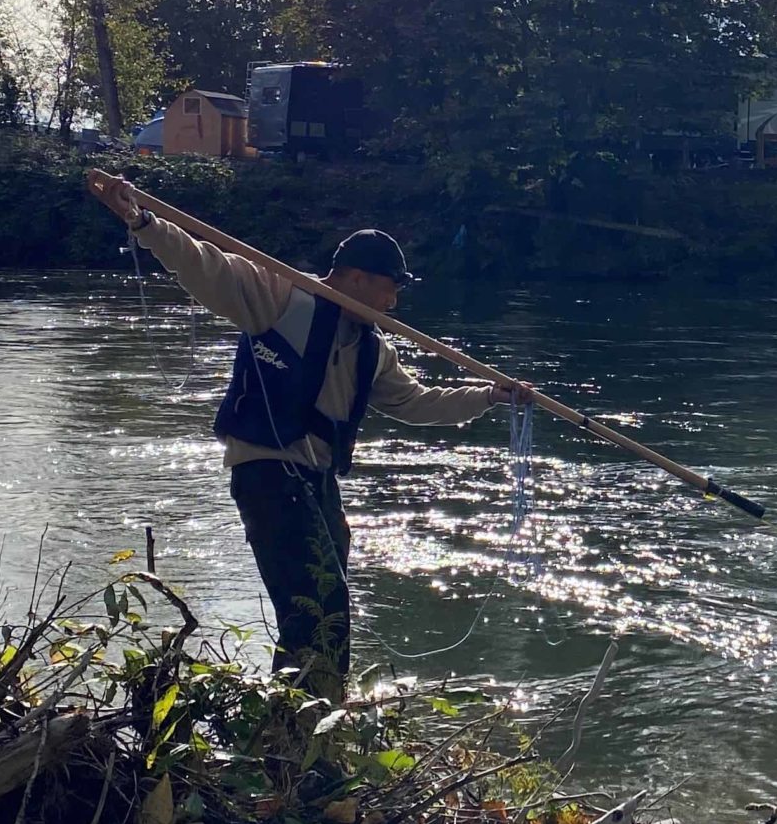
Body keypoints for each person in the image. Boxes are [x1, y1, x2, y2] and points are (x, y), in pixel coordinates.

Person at [93, 174, 521, 695]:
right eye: (389, 287)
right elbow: (207, 266)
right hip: (267, 472)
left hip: (316, 480)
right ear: (356, 279)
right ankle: (293, 735)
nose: (392, 302)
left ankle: (316, 715)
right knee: (312, 605)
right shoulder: (280, 296)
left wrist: (490, 395)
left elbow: (416, 403)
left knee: (332, 602)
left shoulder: (372, 347)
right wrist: (144, 223)